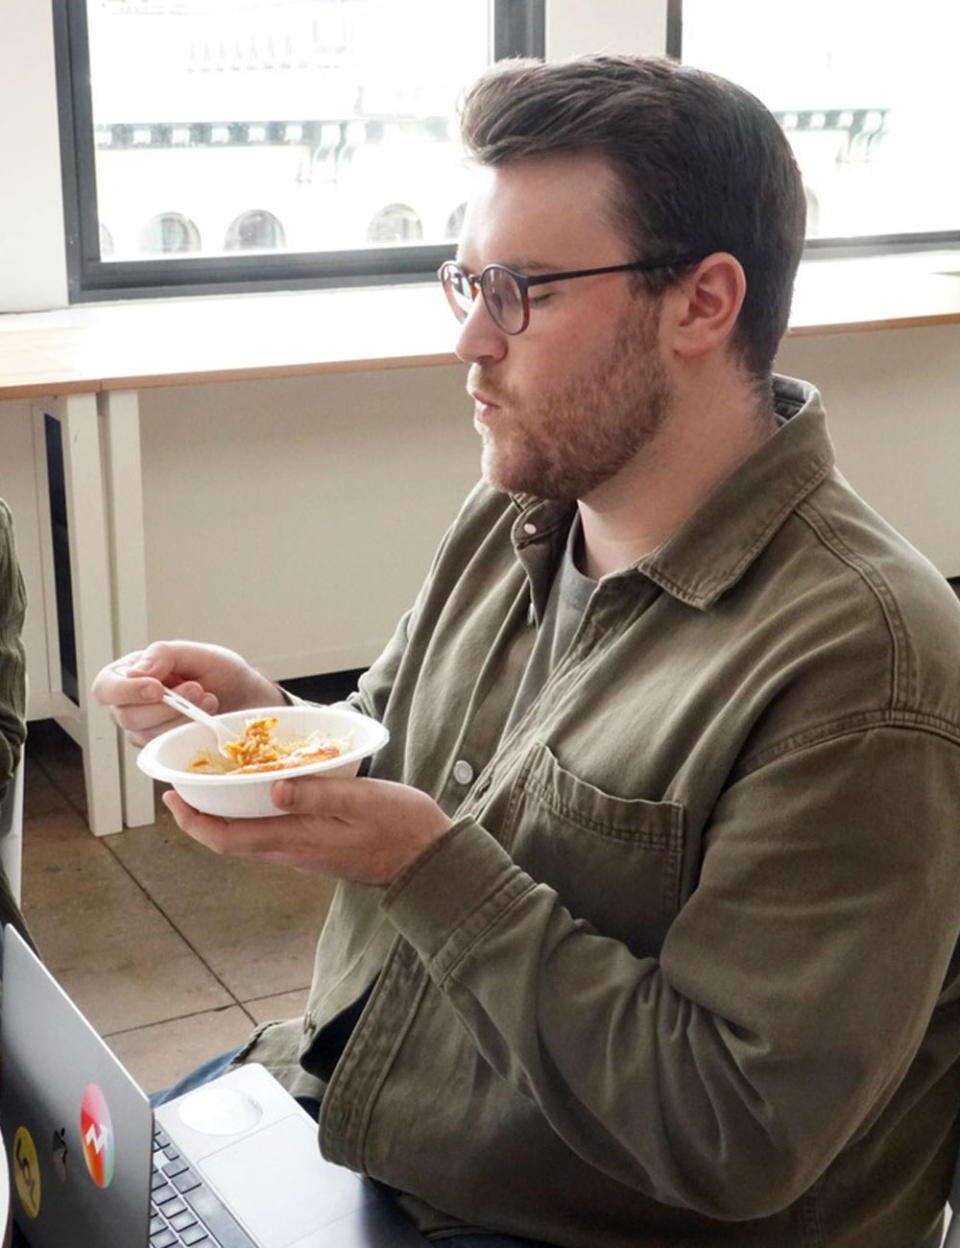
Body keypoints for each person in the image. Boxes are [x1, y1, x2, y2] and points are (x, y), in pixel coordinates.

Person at [92, 54, 960, 1248]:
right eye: (465, 281)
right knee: (64, 1187)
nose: (469, 341)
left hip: (569, 1221)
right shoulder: (519, 514)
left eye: (522, 292)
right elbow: (402, 764)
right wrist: (261, 728)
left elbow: (737, 1129)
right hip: (355, 1104)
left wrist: (428, 868)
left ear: (703, 303)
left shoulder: (868, 670)